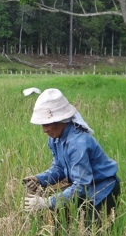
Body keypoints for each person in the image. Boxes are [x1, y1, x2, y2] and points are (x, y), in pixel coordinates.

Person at [23, 88, 120, 224]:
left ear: (61, 120)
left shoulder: (77, 143)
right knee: (63, 219)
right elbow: (59, 167)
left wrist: (47, 202)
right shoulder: (55, 138)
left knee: (94, 235)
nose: (44, 130)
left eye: (47, 124)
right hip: (85, 187)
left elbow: (82, 185)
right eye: (42, 125)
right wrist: (40, 179)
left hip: (103, 190)